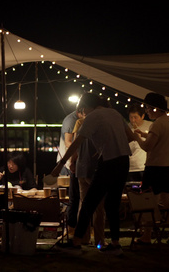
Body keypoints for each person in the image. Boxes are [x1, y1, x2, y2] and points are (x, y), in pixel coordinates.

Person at [52, 93, 133, 256]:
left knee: (88, 203)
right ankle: (115, 245)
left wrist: (60, 164)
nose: (83, 112)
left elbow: (76, 143)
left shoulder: (93, 116)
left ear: (88, 106)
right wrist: (109, 144)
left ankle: (76, 243)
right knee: (112, 204)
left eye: (83, 109)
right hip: (124, 162)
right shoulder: (115, 113)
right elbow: (130, 137)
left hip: (108, 162)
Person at [133, 92, 169, 245]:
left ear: (154, 108)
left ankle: (147, 235)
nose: (146, 111)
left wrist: (136, 137)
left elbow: (147, 147)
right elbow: (162, 138)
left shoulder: (157, 123)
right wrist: (145, 134)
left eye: (147, 108)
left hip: (155, 168)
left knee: (148, 202)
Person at [71, 106, 105, 248]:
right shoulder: (97, 124)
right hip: (93, 169)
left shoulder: (79, 123)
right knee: (98, 207)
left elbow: (75, 146)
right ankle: (99, 240)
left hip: (80, 168)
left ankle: (83, 238)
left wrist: (72, 162)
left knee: (83, 205)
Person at [57, 110, 81, 237]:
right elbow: (68, 143)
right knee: (72, 198)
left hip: (75, 162)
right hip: (69, 163)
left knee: (76, 198)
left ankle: (77, 229)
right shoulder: (72, 120)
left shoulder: (80, 121)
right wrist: (72, 161)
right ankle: (69, 228)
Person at [127, 103, 153, 182]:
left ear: (142, 116)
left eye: (135, 117)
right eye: (131, 117)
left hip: (144, 166)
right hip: (130, 166)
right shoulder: (127, 128)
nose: (133, 120)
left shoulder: (150, 126)